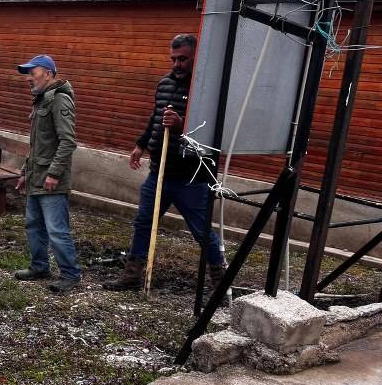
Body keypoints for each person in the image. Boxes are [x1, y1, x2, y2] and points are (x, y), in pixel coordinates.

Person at [104, 33, 227, 291]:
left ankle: (219, 280)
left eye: (183, 59)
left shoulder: (206, 90)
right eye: (173, 59)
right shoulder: (165, 84)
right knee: (144, 223)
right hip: (159, 172)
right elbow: (155, 118)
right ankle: (132, 276)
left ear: (196, 57)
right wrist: (141, 144)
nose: (176, 64)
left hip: (191, 177)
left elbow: (214, 134)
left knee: (201, 231)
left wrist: (184, 125)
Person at [12, 54, 81, 294]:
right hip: (35, 177)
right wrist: (24, 172)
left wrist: (53, 174)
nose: (29, 78)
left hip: (51, 180)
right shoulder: (41, 100)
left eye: (33, 72)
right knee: (34, 225)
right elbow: (38, 145)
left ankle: (70, 274)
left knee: (56, 230)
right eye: (28, 73)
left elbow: (68, 141)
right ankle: (39, 267)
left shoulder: (59, 100)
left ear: (49, 73)